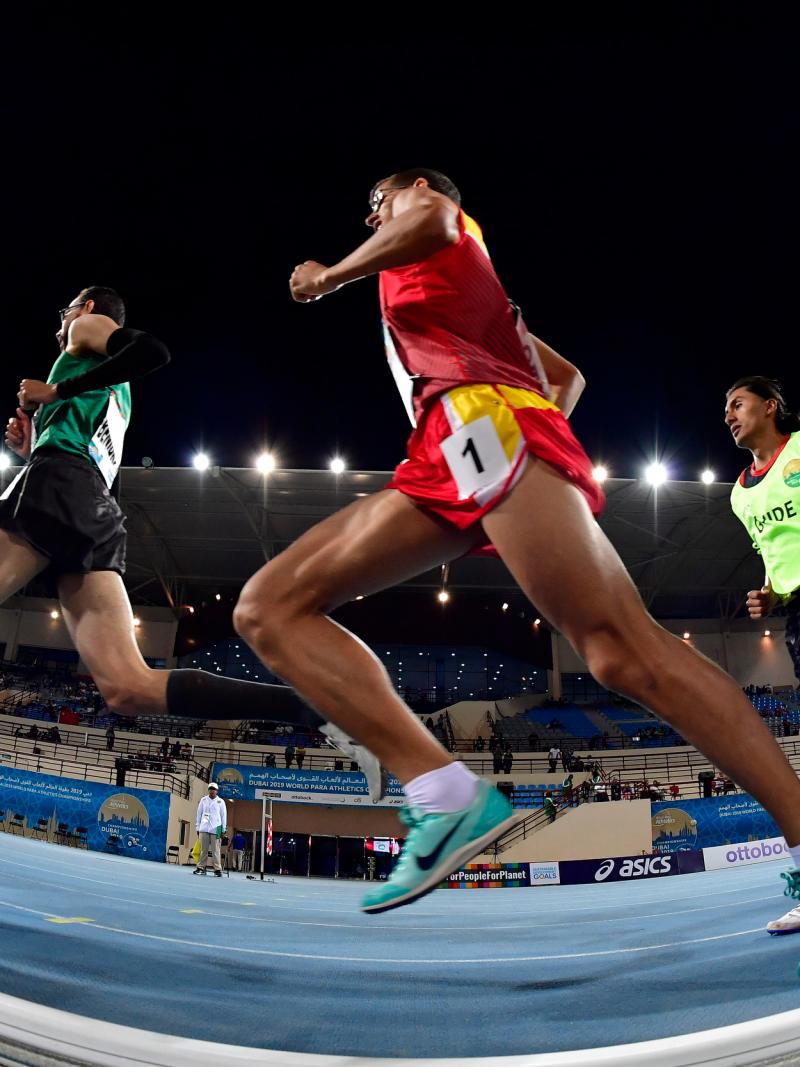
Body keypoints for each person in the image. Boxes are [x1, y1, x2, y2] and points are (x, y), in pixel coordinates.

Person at [232, 167, 800, 915]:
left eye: (375, 203)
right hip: (451, 447)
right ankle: (443, 793)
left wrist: (330, 276)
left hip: (484, 429)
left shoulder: (429, 221)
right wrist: (538, 415)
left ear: (406, 189)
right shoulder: (461, 287)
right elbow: (568, 377)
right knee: (269, 607)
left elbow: (433, 217)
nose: (372, 218)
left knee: (625, 652)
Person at [1, 288, 384, 799]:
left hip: (62, 485)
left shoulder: (84, 334)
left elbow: (153, 352)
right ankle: (313, 708)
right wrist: (33, 447)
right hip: (86, 502)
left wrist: (54, 395)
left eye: (69, 305)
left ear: (90, 309)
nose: (63, 315)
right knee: (127, 688)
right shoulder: (114, 391)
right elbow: (83, 454)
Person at [724, 377, 800, 934]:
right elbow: (776, 554)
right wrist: (770, 592)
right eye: (726, 409)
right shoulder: (740, 494)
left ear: (770, 406)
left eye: (738, 403)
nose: (729, 415)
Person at [194, 782, 226, 877]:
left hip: (217, 828)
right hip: (204, 828)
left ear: (217, 791)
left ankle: (217, 870)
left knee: (216, 850)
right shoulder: (203, 800)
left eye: (214, 789)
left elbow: (223, 816)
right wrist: (197, 827)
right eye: (210, 789)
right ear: (208, 790)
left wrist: (223, 829)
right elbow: (199, 814)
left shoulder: (221, 802)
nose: (212, 791)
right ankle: (201, 868)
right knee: (203, 850)